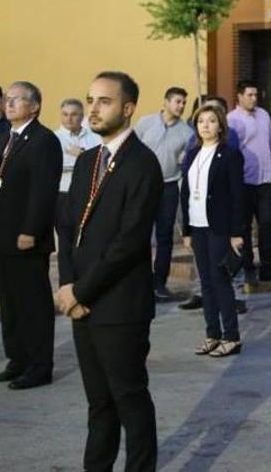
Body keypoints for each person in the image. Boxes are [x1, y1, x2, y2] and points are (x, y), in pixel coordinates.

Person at [56, 71, 162, 472]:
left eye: (104, 101)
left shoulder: (142, 164)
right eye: (90, 100)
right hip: (82, 301)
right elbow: (67, 225)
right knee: (98, 403)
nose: (93, 110)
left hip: (120, 305)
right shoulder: (87, 161)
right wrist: (68, 286)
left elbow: (128, 243)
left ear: (128, 108)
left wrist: (82, 291)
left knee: (129, 399)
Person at [0, 81, 62, 390]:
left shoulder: (44, 140)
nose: (8, 104)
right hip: (3, 236)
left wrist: (30, 230)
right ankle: (17, 358)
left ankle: (39, 365)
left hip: (26, 238)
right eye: (7, 99)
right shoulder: (5, 138)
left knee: (32, 303)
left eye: (15, 100)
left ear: (34, 106)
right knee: (10, 302)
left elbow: (43, 191)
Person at [180, 104, 246, 356]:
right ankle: (212, 334)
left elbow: (237, 196)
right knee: (205, 283)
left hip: (219, 227)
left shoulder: (229, 155)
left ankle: (231, 337)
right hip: (197, 227)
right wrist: (186, 230)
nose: (205, 125)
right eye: (201, 122)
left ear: (220, 126)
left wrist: (236, 232)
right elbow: (185, 192)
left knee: (221, 281)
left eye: (211, 121)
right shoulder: (192, 154)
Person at [227, 80, 271, 285]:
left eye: (256, 95)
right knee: (244, 226)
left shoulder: (263, 115)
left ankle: (268, 267)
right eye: (250, 95)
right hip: (244, 181)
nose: (254, 98)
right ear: (239, 96)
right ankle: (247, 267)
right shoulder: (231, 119)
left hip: (266, 179)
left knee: (268, 223)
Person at [134, 86, 194, 301]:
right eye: (177, 101)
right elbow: (132, 150)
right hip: (144, 186)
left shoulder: (187, 132)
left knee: (165, 236)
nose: (181, 106)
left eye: (183, 103)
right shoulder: (145, 123)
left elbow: (186, 160)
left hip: (168, 187)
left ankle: (160, 282)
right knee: (139, 234)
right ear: (166, 102)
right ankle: (140, 281)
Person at [54, 98, 101, 279]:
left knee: (87, 242)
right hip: (63, 196)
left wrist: (79, 155)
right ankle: (67, 283)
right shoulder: (55, 138)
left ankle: (86, 283)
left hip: (89, 195)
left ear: (82, 116)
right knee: (65, 244)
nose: (69, 119)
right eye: (65, 114)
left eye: (74, 114)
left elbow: (100, 163)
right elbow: (57, 166)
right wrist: (84, 159)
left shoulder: (94, 137)